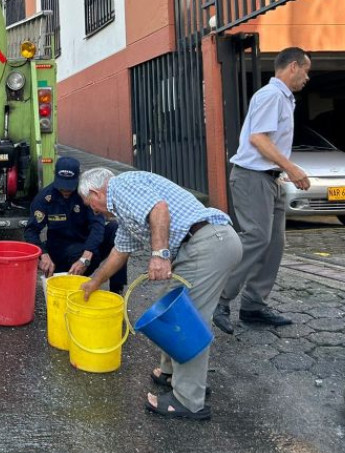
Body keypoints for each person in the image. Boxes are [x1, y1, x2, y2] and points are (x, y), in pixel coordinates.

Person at [78, 167, 241, 421]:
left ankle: (188, 400)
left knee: (186, 322)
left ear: (95, 192)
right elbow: (119, 252)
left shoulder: (121, 186)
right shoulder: (125, 212)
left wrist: (160, 255)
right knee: (168, 309)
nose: (94, 211)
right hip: (202, 245)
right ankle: (169, 373)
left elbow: (159, 209)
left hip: (207, 243)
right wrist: (94, 282)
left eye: (91, 205)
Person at [213, 47, 311, 335]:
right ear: (293, 66)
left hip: (270, 179)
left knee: (274, 243)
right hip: (252, 177)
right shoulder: (271, 96)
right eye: (306, 70)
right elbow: (258, 139)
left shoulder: (283, 98)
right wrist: (292, 168)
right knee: (256, 237)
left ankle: (254, 305)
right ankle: (219, 297)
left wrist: (282, 173)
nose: (307, 77)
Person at [24, 156, 124, 293]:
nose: (66, 191)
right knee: (74, 251)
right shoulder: (45, 198)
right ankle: (77, 288)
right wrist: (43, 254)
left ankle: (117, 291)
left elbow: (97, 225)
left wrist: (86, 256)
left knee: (117, 231)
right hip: (62, 253)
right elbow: (31, 231)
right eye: (62, 186)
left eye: (69, 186)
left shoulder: (86, 193)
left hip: (89, 247)